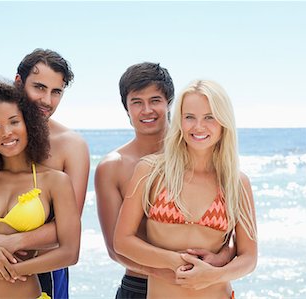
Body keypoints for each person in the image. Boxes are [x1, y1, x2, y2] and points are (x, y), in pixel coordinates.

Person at [0, 49, 90, 299]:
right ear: (18, 82)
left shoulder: (71, 145)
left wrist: (13, 243)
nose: (47, 100)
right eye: (39, 87)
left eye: (56, 92)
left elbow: (68, 226)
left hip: (43, 273)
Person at [96, 64, 236, 299]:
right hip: (141, 284)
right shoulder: (113, 166)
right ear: (126, 108)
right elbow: (115, 248)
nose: (147, 110)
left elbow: (231, 231)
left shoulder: (204, 152)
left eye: (155, 100)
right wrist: (169, 273)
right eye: (137, 102)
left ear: (170, 102)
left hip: (201, 283)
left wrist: (218, 260)